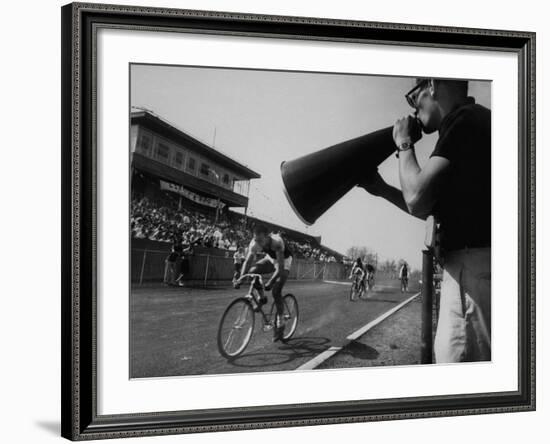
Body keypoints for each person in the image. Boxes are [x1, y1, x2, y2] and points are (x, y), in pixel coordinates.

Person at [360, 78, 491, 363]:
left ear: (431, 85)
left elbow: (417, 196)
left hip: (471, 271)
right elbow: (429, 206)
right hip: (474, 270)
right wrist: (382, 189)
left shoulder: (465, 121)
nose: (414, 108)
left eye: (414, 97)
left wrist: (404, 143)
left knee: (459, 381)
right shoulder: (472, 121)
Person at [235, 224, 293, 342]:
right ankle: (262, 298)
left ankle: (280, 323)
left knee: (276, 291)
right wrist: (241, 278)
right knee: (252, 272)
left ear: (267, 236)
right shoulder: (255, 243)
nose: (259, 243)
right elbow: (248, 261)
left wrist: (271, 282)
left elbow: (280, 268)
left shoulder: (277, 243)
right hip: (271, 258)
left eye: (261, 240)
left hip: (284, 260)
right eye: (256, 240)